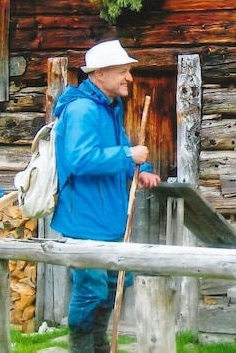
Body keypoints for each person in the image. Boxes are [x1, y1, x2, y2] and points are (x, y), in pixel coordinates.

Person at [50, 39, 161, 353]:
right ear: (99, 74)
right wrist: (129, 156)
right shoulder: (82, 109)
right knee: (90, 290)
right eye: (122, 71)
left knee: (115, 284)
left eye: (128, 71)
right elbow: (80, 159)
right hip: (84, 218)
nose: (128, 78)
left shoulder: (109, 107)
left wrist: (142, 169)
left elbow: (123, 148)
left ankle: (99, 347)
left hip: (109, 217)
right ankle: (83, 348)